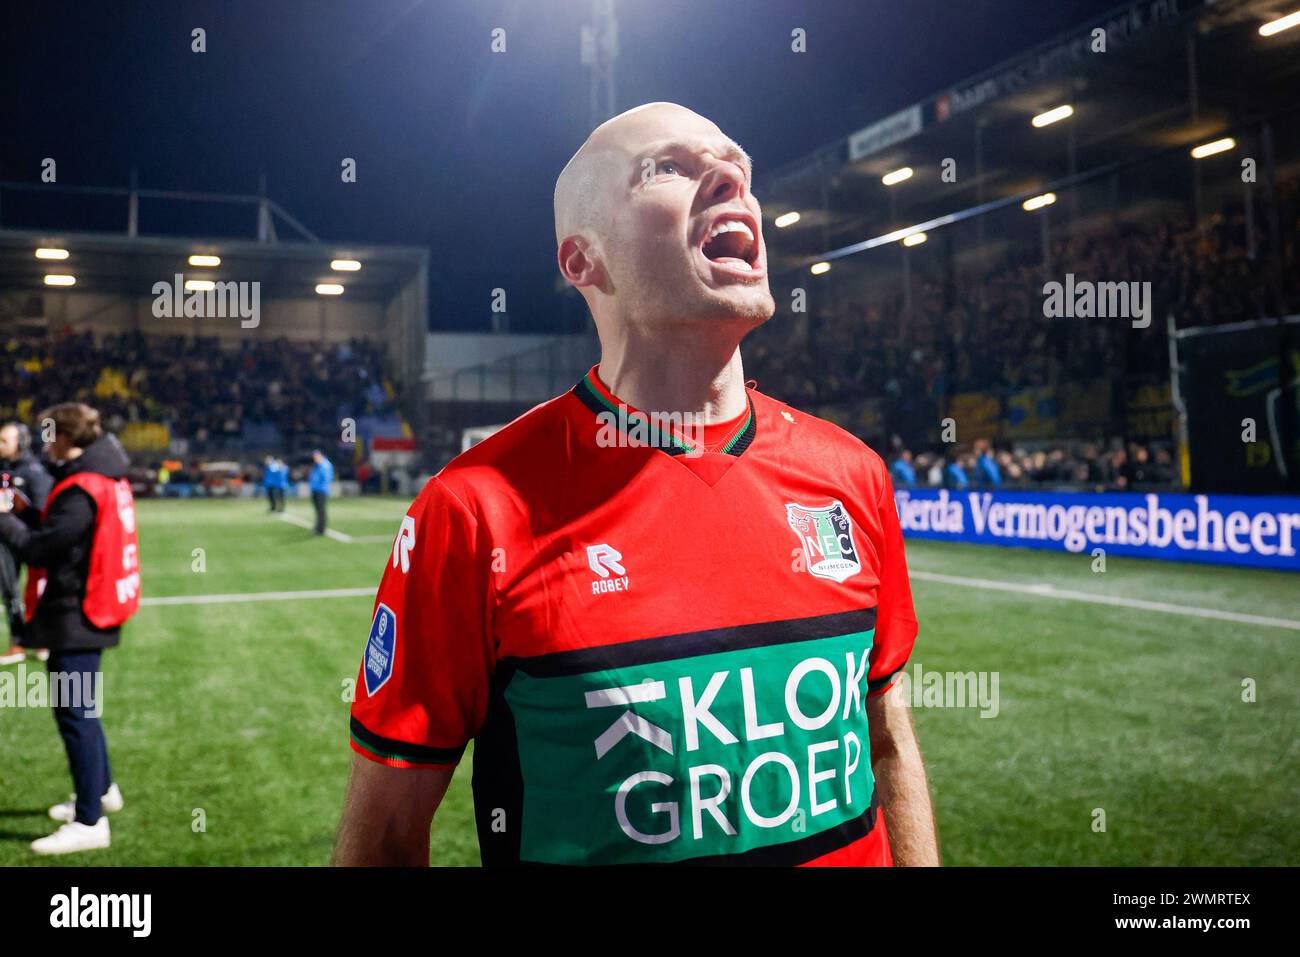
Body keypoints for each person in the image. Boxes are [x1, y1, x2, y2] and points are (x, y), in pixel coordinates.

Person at [335, 103, 937, 867]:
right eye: (668, 168)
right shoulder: (475, 511)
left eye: (736, 166)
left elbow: (888, 743)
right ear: (582, 260)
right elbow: (385, 836)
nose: (731, 179)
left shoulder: (852, 473)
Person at [0, 403, 140, 855]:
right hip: (86, 610)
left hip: (77, 614)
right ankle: (99, 791)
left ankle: (89, 822)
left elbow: (42, 550)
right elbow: (60, 531)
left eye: (48, 435)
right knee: (84, 712)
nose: (44, 444)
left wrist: (3, 519)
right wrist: (22, 511)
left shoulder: (83, 485)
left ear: (64, 437)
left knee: (75, 715)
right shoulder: (102, 475)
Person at [0, 422, 52, 664]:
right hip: (5, 541)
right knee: (10, 591)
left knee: (38, 590)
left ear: (20, 443)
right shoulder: (2, 468)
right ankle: (18, 642)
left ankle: (42, 639)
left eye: (4, 441)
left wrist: (11, 510)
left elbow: (43, 511)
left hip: (31, 540)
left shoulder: (34, 472)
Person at [308, 450, 334, 534]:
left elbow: (326, 478)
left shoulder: (325, 465)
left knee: (321, 510)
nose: (315, 458)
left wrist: (324, 487)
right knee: (317, 510)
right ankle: (318, 526)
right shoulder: (318, 465)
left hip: (321, 490)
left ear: (321, 456)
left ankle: (321, 528)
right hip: (315, 489)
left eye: (316, 456)